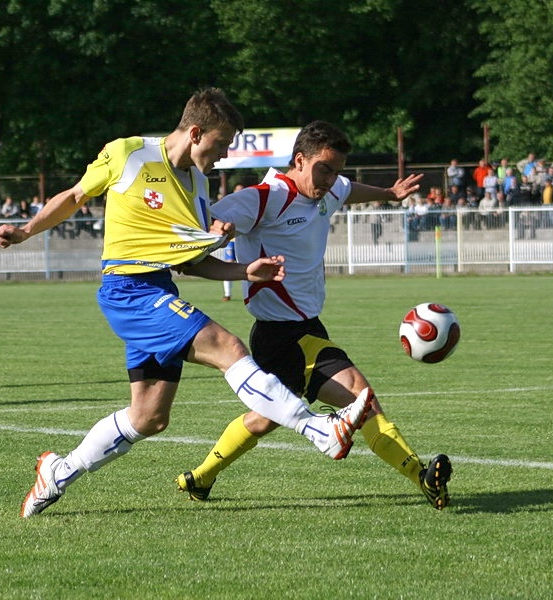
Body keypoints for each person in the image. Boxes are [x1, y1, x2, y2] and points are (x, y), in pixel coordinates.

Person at [0, 88, 371, 518]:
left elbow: (191, 263)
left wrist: (243, 271)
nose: (224, 155)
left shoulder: (197, 184)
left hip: (158, 290)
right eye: (222, 143)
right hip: (127, 289)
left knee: (149, 417)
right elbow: (76, 196)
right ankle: (316, 428)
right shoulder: (129, 153)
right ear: (195, 132)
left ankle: (57, 473)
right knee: (229, 348)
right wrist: (25, 231)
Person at [175, 120, 452, 510]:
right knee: (361, 399)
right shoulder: (265, 196)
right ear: (299, 160)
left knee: (265, 419)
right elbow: (202, 216)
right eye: (324, 168)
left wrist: (388, 193)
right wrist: (214, 226)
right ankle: (421, 476)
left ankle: (199, 478)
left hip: (307, 328)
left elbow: (346, 190)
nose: (331, 179)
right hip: (278, 333)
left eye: (337, 170)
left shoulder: (327, 188)